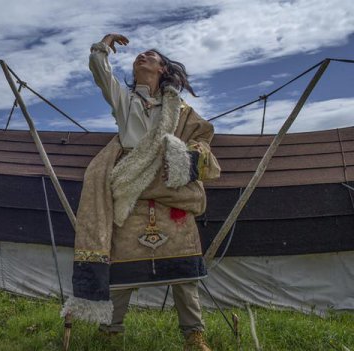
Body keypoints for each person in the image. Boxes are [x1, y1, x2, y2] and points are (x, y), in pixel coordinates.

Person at [61, 33, 221, 351]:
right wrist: (104, 45)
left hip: (170, 189)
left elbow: (202, 139)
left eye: (150, 55)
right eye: (139, 56)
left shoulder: (181, 109)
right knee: (121, 268)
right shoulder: (125, 100)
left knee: (183, 270)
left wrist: (182, 156)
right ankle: (111, 331)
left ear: (163, 68)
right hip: (130, 191)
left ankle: (194, 335)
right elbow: (99, 69)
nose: (142, 57)